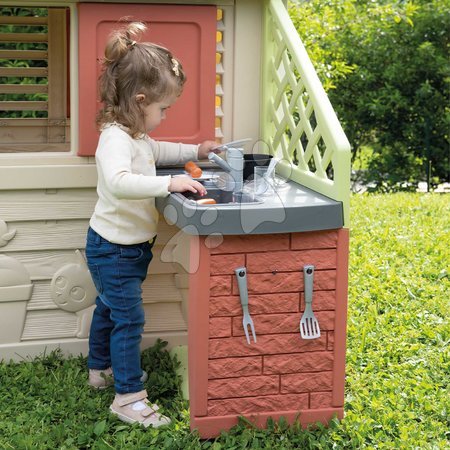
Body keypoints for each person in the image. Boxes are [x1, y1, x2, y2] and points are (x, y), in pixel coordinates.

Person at [84, 21, 217, 428]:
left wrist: (197, 150)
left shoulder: (135, 134)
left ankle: (99, 369)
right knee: (129, 319)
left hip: (127, 246)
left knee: (109, 308)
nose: (164, 116)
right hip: (113, 249)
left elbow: (159, 149)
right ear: (140, 100)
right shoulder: (115, 139)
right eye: (164, 109)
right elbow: (119, 183)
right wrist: (170, 182)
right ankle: (128, 397)